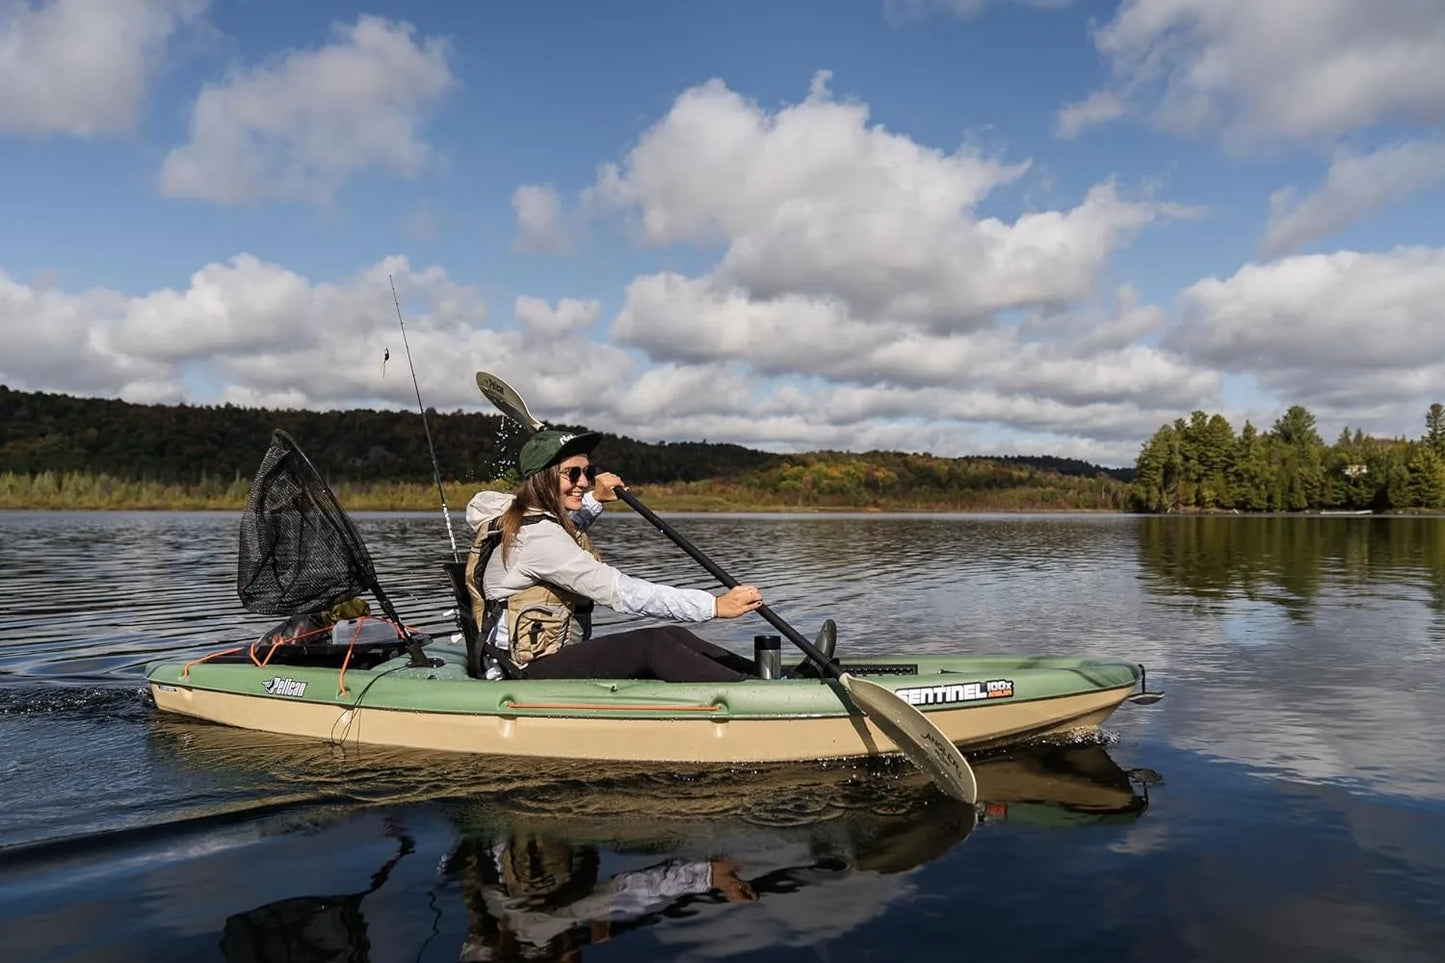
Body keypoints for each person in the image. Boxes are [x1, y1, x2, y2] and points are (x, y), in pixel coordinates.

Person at [464, 428, 765, 682]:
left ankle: (760, 678)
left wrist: (595, 499)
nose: (584, 482)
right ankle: (756, 696)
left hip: (542, 658)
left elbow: (566, 532)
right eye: (573, 474)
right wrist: (712, 606)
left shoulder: (526, 519)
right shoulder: (537, 538)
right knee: (652, 644)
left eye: (588, 472)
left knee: (674, 633)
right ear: (544, 478)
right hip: (520, 670)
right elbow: (624, 593)